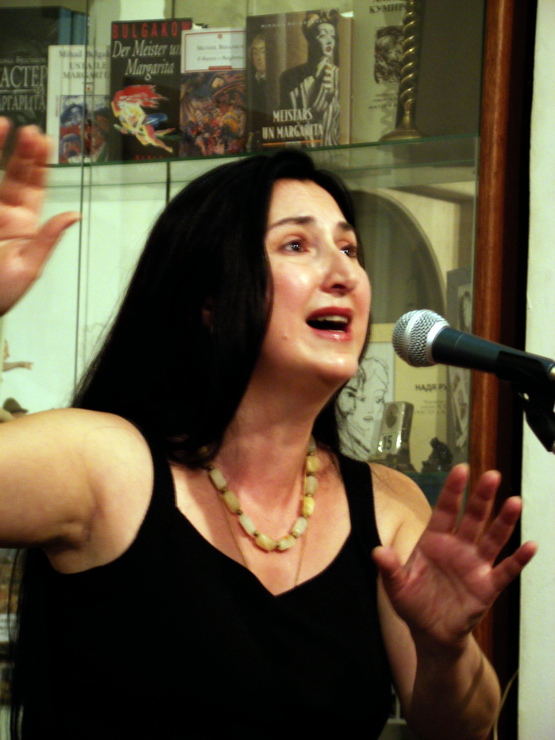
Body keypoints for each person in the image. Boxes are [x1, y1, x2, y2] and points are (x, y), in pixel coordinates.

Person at [0, 117, 537, 738]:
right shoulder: (102, 464)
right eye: (296, 245)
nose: (344, 274)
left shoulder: (388, 505)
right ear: (207, 298)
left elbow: (463, 729)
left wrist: (447, 648)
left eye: (349, 249)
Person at [279, 11, 341, 146]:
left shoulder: (338, 76)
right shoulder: (289, 78)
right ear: (311, 40)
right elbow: (285, 124)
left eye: (332, 36)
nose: (329, 40)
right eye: (323, 35)